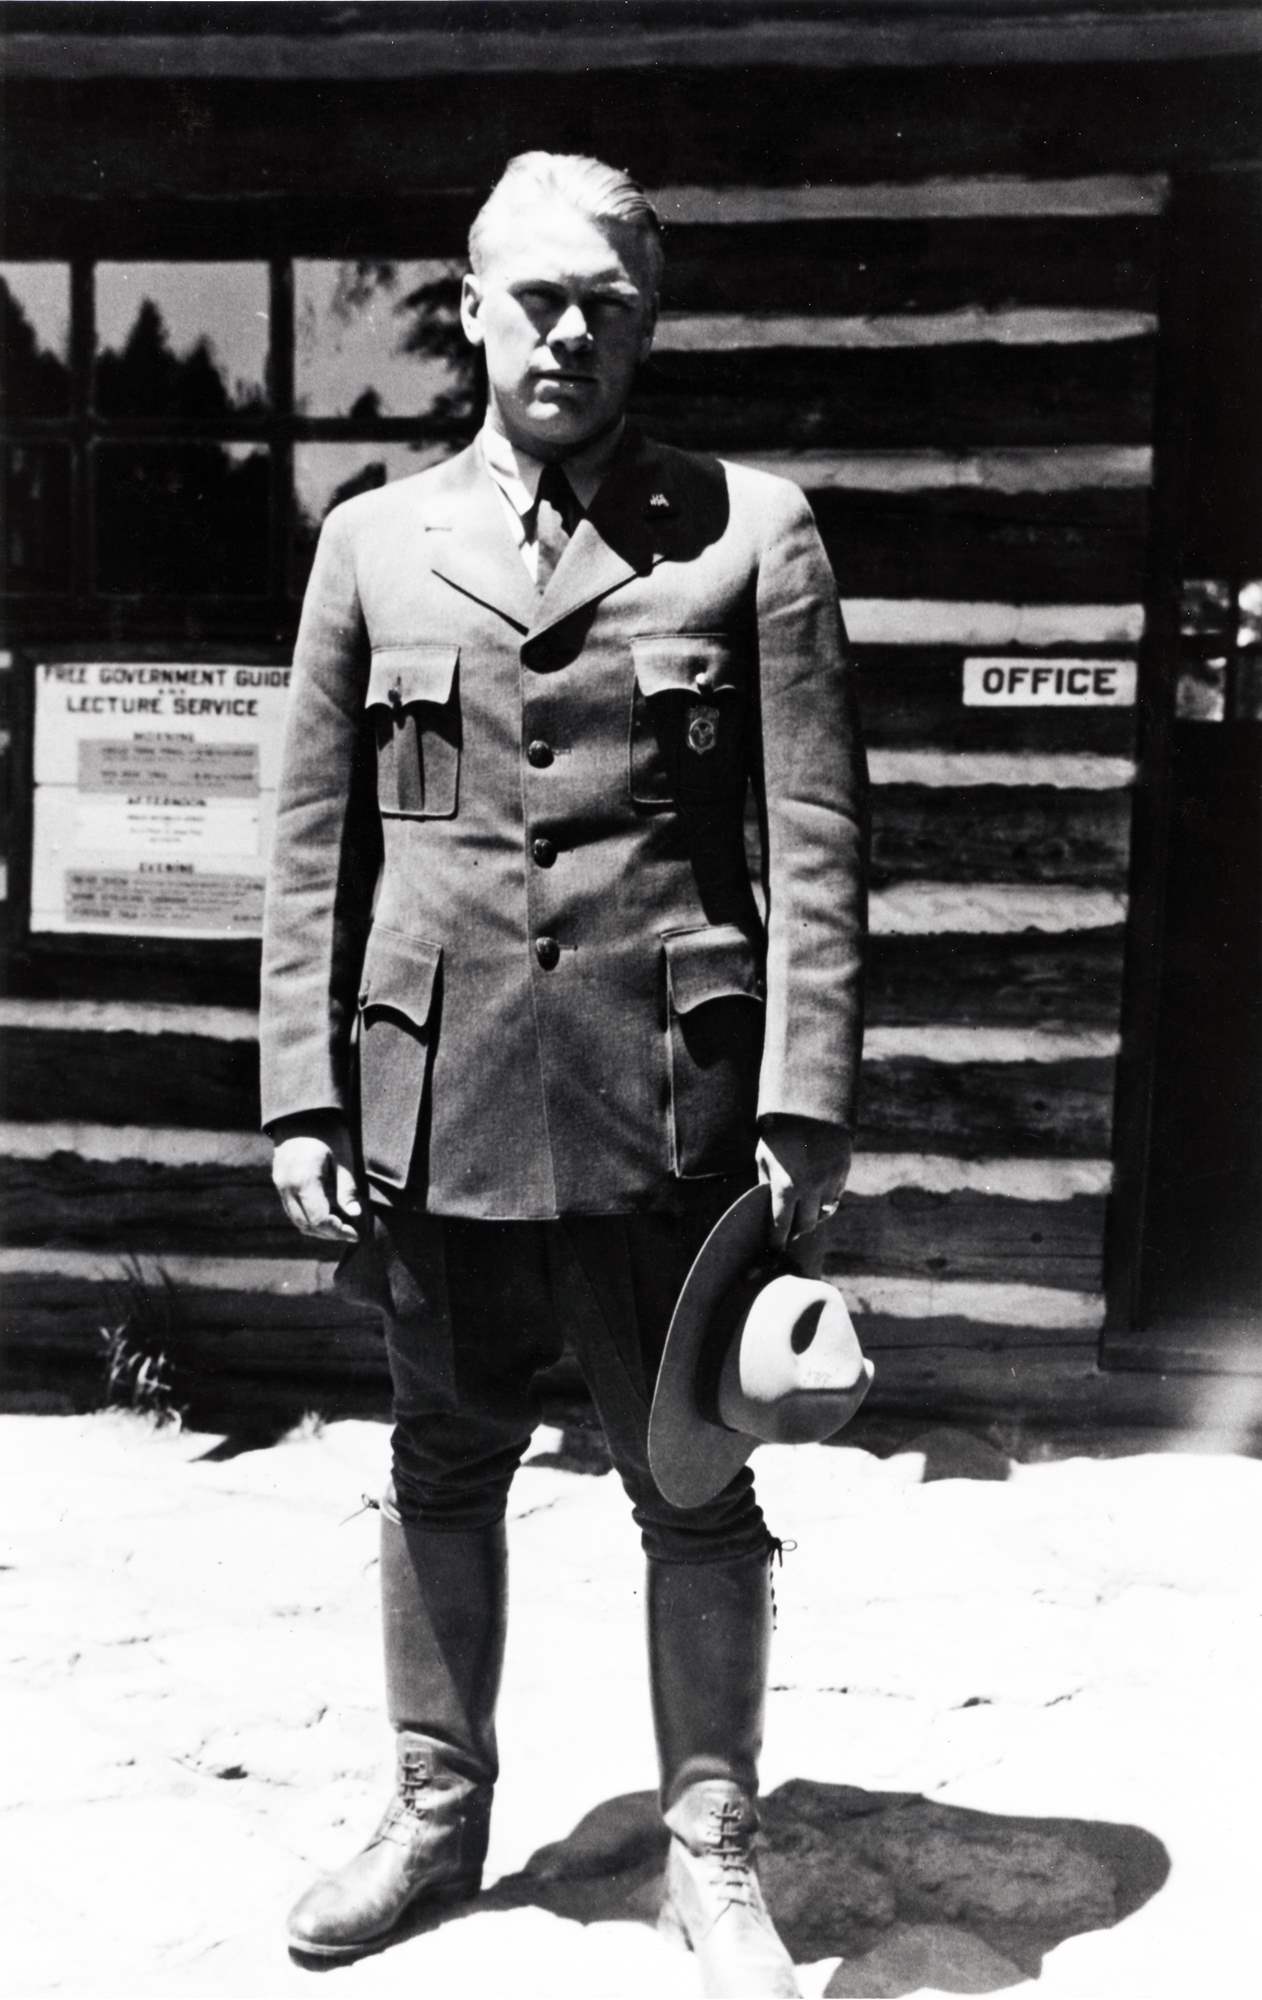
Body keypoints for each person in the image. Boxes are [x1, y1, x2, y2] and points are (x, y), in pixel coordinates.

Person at [260, 150, 867, 1998]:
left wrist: (804, 1098)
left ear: (647, 322)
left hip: (667, 1106)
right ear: (471, 311)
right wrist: (302, 1089)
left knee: (691, 1480)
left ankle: (710, 1841)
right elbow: (309, 843)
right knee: (440, 1458)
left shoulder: (750, 535)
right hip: (428, 1104)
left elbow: (817, 837)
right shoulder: (372, 538)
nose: (571, 329)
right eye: (536, 296)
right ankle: (436, 1814)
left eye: (607, 298)